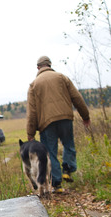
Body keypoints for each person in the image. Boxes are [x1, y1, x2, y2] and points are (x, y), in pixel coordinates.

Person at [26, 56, 91, 193]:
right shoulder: (62, 77)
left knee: (51, 153)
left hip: (46, 124)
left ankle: (57, 184)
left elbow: (32, 112)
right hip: (65, 118)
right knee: (68, 144)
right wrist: (85, 116)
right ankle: (67, 168)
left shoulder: (34, 85)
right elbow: (77, 98)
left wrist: (30, 133)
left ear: (38, 67)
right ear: (49, 65)